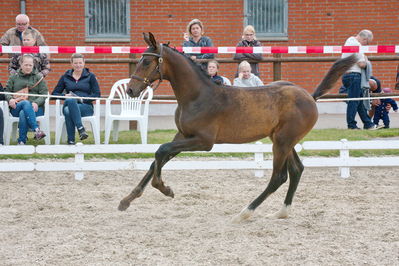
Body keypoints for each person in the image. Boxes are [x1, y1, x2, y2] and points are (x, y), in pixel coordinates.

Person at [52, 53, 100, 145]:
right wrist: (64, 96)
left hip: (85, 106)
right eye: (76, 63)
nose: (78, 65)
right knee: (70, 100)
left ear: (84, 63)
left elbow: (97, 94)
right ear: (71, 64)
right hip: (69, 103)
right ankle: (80, 128)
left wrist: (82, 99)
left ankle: (71, 140)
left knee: (67, 111)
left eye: (80, 63)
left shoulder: (91, 76)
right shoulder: (65, 77)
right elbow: (54, 94)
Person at [341, 29, 380, 130]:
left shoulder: (350, 40)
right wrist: (367, 61)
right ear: (364, 39)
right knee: (354, 101)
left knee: (360, 101)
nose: (366, 45)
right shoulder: (356, 45)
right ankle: (351, 125)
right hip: (354, 75)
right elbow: (361, 64)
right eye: (367, 43)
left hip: (348, 75)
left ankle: (368, 124)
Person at [4, 54, 47, 145]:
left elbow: (44, 94)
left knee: (23, 112)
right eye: (26, 65)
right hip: (16, 106)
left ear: (33, 65)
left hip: (36, 108)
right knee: (25, 103)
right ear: (21, 64)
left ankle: (22, 141)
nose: (28, 67)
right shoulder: (13, 77)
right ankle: (36, 129)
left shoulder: (38, 77)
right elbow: (6, 91)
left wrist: (36, 102)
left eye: (30, 65)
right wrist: (10, 99)